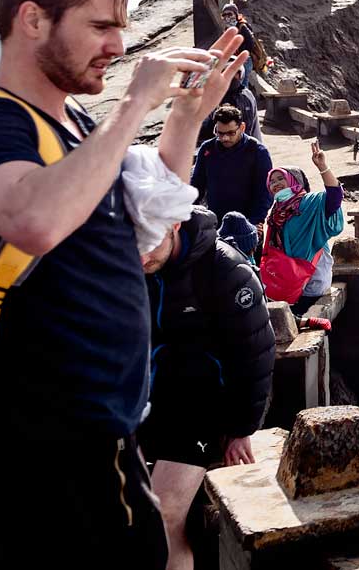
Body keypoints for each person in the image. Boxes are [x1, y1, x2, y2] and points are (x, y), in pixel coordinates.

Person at [0, 0, 246, 569]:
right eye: (100, 26)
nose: (118, 45)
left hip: (99, 434)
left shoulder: (74, 124)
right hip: (47, 440)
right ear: (32, 19)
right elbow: (32, 217)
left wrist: (188, 117)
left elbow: (134, 226)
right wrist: (136, 101)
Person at [140, 207, 274, 570]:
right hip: (147, 403)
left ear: (174, 223)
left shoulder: (224, 270)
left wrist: (242, 428)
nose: (140, 255)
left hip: (203, 410)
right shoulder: (132, 266)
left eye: (148, 242)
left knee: (164, 515)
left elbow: (256, 352)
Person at [259, 141, 343, 313]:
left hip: (312, 279)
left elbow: (335, 197)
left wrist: (323, 167)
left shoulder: (311, 203)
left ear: (294, 180)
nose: (276, 184)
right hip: (287, 280)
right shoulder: (276, 211)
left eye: (281, 178)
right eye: (272, 181)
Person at [191, 105, 274, 230]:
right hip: (215, 222)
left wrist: (255, 222)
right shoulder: (207, 149)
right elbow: (197, 184)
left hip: (248, 224)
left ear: (242, 127)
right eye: (220, 133)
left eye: (231, 133)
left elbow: (265, 192)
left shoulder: (257, 151)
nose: (225, 138)